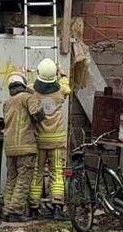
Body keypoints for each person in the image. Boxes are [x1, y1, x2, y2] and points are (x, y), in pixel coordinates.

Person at [30, 57, 71, 213]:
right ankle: (57, 205)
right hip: (56, 141)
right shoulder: (60, 91)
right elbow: (67, 88)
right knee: (56, 172)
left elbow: (28, 86)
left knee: (37, 172)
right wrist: (64, 75)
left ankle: (34, 205)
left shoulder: (33, 92)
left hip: (39, 140)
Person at [2, 72, 43, 222]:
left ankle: (7, 210)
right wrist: (35, 96)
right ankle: (15, 211)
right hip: (25, 146)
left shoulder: (7, 102)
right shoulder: (27, 97)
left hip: (9, 147)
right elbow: (38, 115)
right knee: (23, 179)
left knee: (11, 178)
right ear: (23, 84)